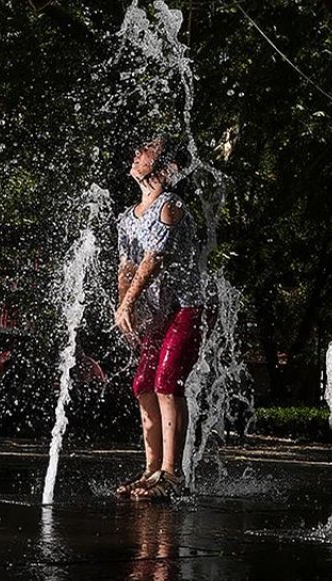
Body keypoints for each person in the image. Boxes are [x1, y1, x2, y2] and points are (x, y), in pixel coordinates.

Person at [113, 135, 204, 500]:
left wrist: (127, 304)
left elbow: (153, 261)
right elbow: (127, 268)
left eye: (146, 149)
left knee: (167, 380)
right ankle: (151, 471)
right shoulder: (126, 218)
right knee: (143, 383)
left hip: (190, 305)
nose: (136, 153)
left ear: (165, 167)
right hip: (160, 311)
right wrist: (127, 309)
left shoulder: (170, 206)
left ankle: (172, 474)